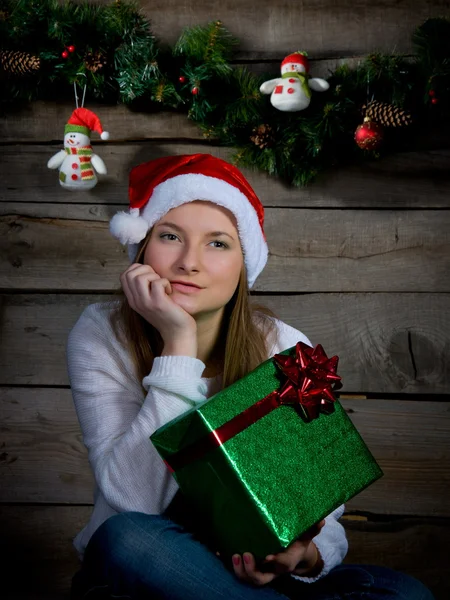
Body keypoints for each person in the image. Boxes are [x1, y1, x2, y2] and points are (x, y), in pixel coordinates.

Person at [67, 153, 434, 600]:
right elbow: (132, 500)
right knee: (126, 539)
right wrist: (178, 346)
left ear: (245, 263)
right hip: (149, 569)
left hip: (254, 581)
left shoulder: (281, 345)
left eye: (217, 243)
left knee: (403, 591)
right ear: (142, 248)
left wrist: (305, 554)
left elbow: (323, 509)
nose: (189, 262)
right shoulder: (102, 332)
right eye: (169, 236)